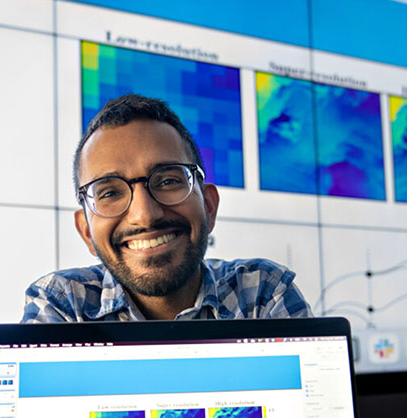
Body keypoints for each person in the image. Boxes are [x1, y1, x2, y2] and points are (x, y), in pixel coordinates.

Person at [22, 94, 313, 322]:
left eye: (168, 180)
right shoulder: (62, 305)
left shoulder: (263, 293)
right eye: (109, 191)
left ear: (209, 206)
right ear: (86, 232)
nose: (145, 214)